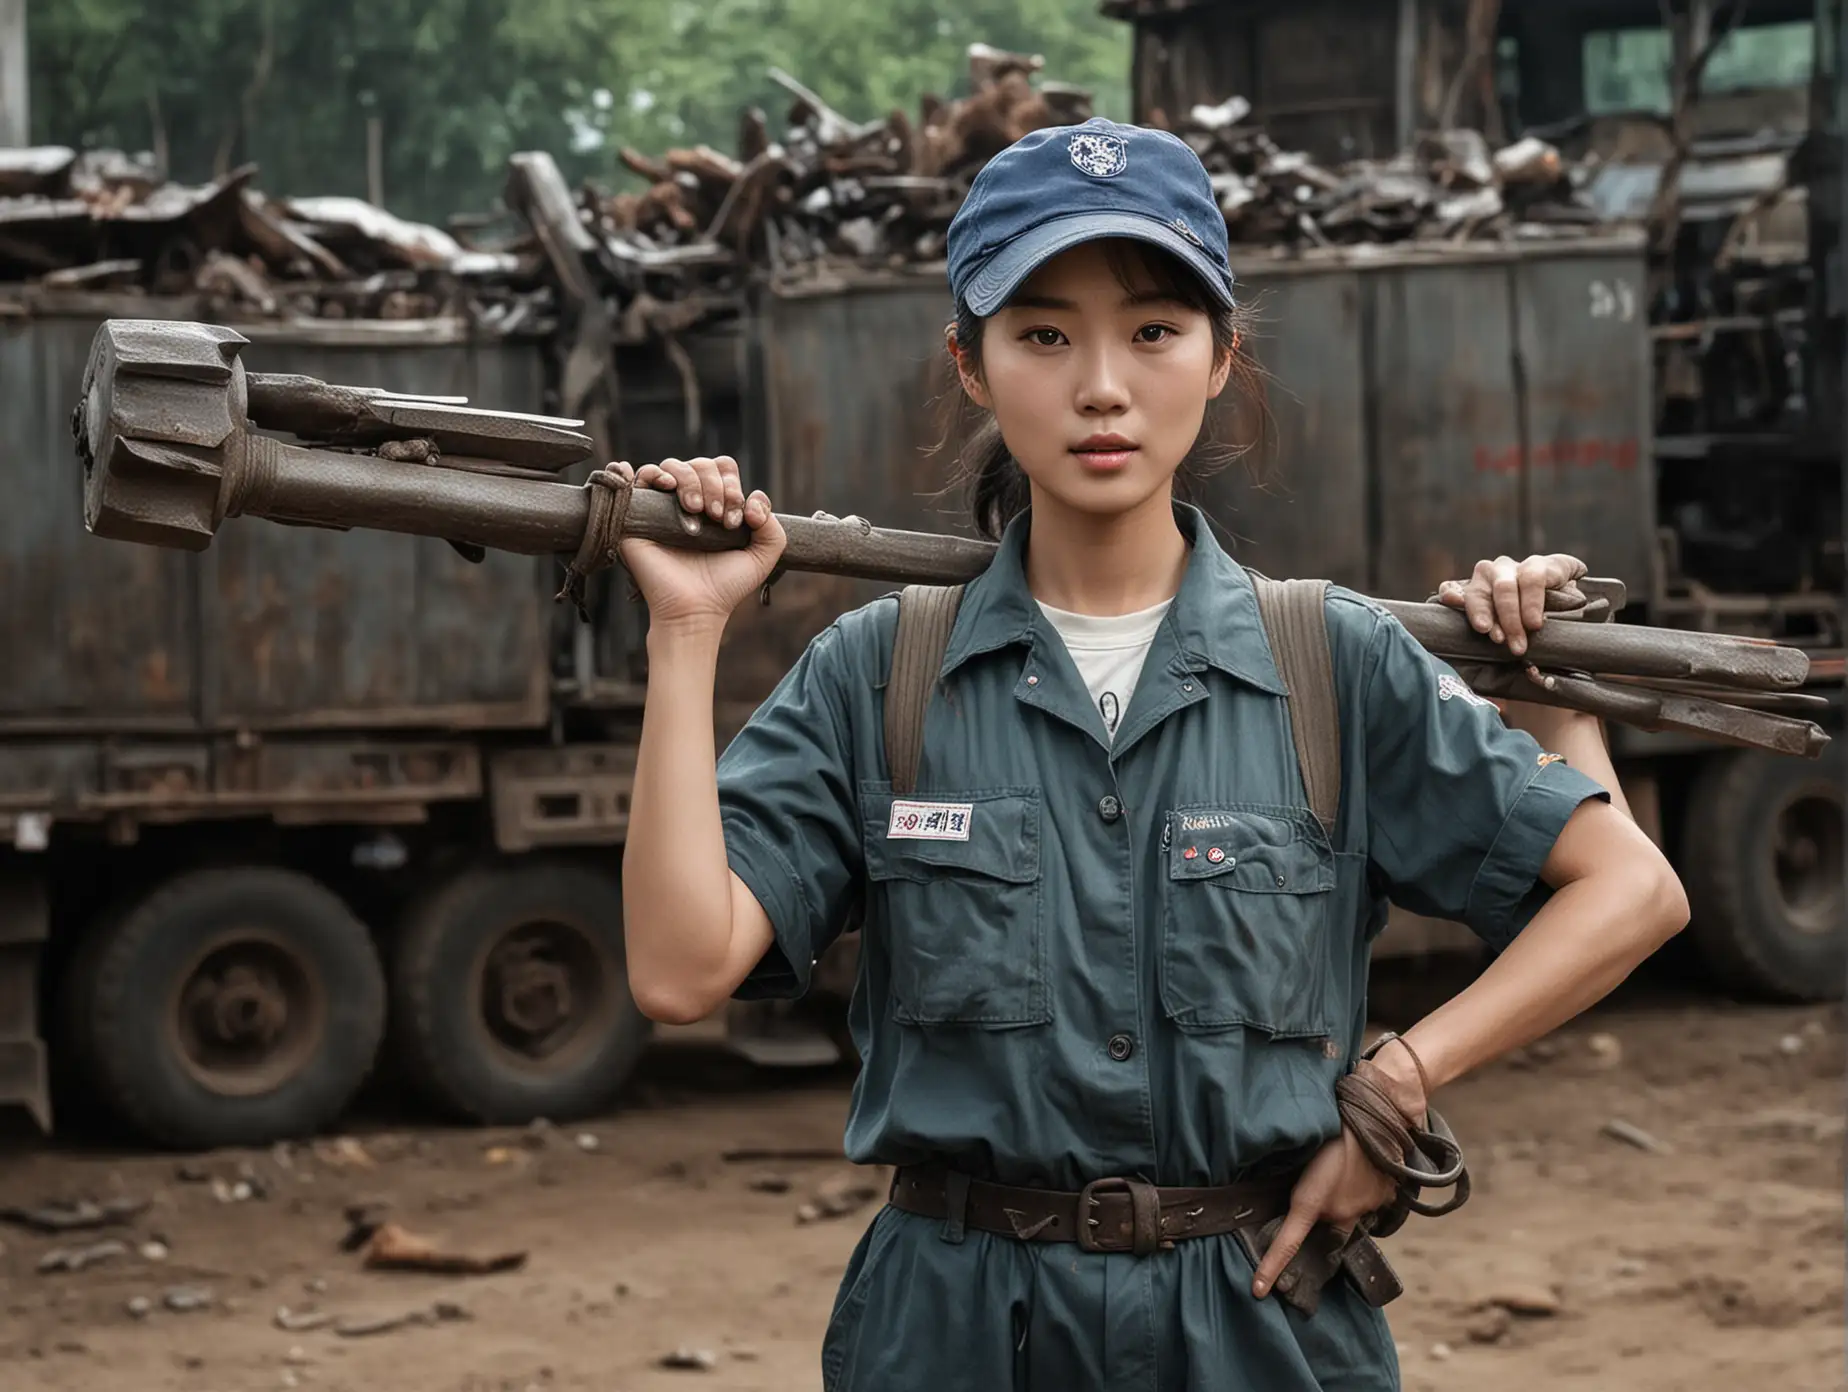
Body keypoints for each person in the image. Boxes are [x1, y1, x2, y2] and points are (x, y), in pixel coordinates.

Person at [616, 118, 1689, 1392]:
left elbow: (1632, 889)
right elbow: (680, 973)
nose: (1102, 387)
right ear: (971, 363)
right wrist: (686, 632)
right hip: (957, 1329)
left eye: (1156, 332)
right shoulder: (880, 674)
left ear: (1223, 354)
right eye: (1045, 334)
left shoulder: (1327, 667)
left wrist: (1399, 1084)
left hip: (1253, 1321)